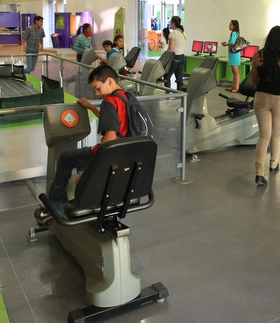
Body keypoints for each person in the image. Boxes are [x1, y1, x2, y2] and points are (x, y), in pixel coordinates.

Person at [42, 65, 140, 217]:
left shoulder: (109, 101)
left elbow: (110, 139)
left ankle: (55, 207)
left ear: (109, 81)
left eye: (98, 88)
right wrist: (90, 107)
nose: (97, 93)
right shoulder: (127, 98)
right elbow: (113, 123)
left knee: (65, 158)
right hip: (126, 155)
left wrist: (91, 171)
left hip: (111, 155)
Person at [251, 26, 280, 186]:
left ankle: (259, 173)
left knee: (264, 136)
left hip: (261, 97)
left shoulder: (257, 56)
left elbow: (254, 80)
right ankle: (273, 164)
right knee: (275, 134)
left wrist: (262, 90)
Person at [164, 16, 186, 89]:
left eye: (170, 22)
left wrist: (165, 57)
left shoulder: (173, 33)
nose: (170, 23)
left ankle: (167, 93)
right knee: (179, 78)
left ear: (173, 23)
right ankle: (180, 94)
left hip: (175, 57)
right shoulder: (183, 32)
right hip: (182, 57)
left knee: (167, 76)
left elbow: (170, 48)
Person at [221, 20, 242, 92]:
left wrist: (225, 44)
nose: (229, 26)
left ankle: (236, 88)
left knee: (236, 72)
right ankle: (233, 86)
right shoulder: (234, 33)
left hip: (234, 55)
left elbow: (232, 42)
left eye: (230, 24)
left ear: (234, 26)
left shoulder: (234, 33)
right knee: (234, 71)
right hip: (233, 55)